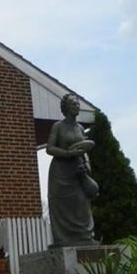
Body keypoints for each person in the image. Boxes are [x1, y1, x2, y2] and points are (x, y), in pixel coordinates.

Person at [46, 93, 99, 247]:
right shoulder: (58, 126)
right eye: (73, 104)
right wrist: (68, 153)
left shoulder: (80, 128)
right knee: (63, 206)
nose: (77, 106)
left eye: (77, 103)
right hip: (61, 172)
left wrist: (87, 165)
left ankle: (84, 236)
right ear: (66, 108)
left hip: (78, 170)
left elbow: (85, 148)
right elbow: (49, 148)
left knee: (82, 203)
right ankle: (63, 239)